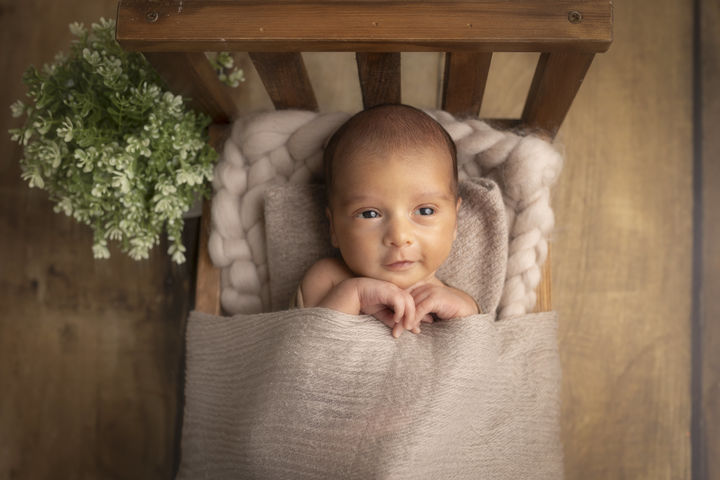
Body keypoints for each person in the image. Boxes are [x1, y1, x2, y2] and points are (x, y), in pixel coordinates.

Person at [297, 104, 479, 337]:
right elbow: (307, 347)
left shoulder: (448, 296)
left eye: (424, 211)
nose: (399, 237)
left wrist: (464, 312)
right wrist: (355, 296)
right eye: (369, 214)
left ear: (455, 221)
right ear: (333, 227)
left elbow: (479, 348)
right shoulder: (329, 278)